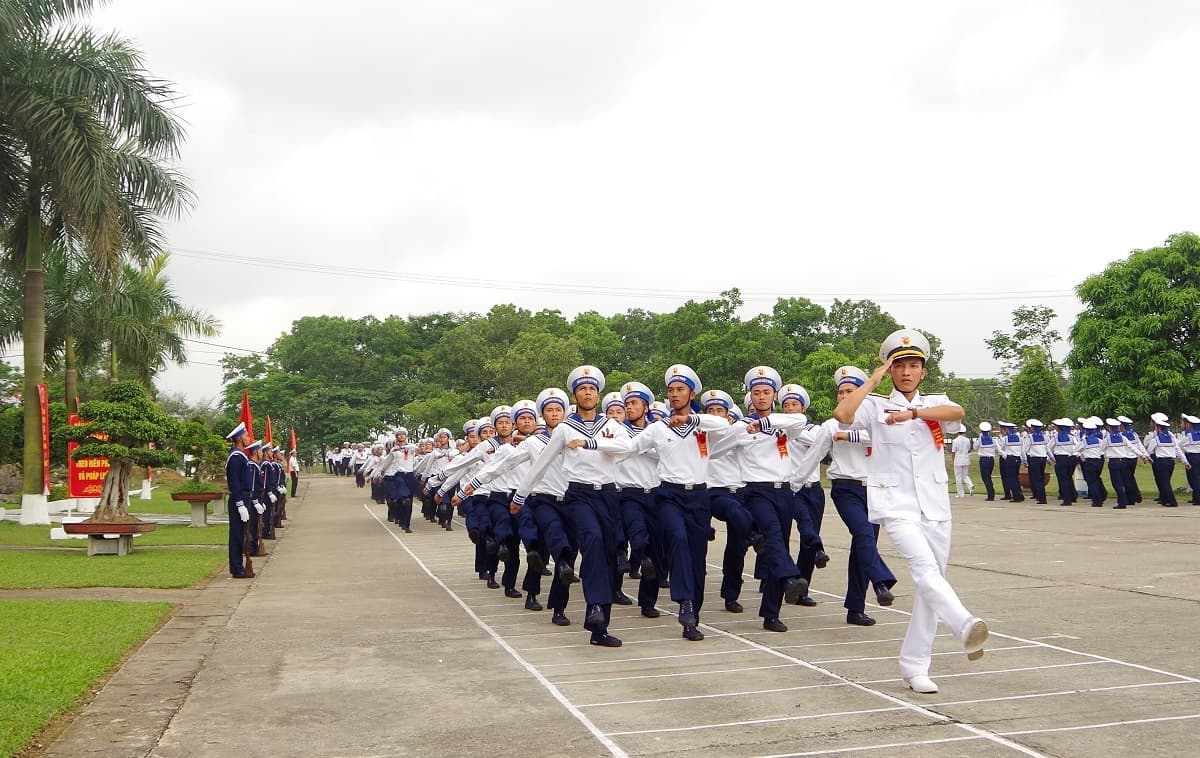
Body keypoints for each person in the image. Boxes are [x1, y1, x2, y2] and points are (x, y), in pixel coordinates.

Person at [833, 328, 988, 695]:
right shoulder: (873, 405)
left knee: (930, 584)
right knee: (923, 569)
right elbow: (842, 412)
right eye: (899, 365)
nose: (906, 372)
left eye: (913, 365)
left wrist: (913, 413)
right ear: (891, 369)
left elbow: (957, 412)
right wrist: (873, 379)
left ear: (923, 371)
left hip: (934, 503)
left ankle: (915, 666)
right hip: (895, 503)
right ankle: (964, 624)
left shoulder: (935, 402)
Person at [513, 366, 632, 647]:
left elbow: (626, 447)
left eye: (592, 389)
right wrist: (520, 496)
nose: (587, 393)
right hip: (578, 495)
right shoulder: (565, 428)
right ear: (574, 395)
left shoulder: (611, 425)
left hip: (608, 495)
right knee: (590, 539)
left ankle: (599, 625)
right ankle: (594, 605)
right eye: (582, 389)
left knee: (605, 555)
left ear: (598, 394)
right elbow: (541, 464)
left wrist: (592, 443)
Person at [623, 364, 729, 641]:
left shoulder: (704, 424)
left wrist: (691, 421)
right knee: (677, 540)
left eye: (680, 390)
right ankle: (685, 602)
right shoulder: (657, 428)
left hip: (699, 496)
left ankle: (692, 618)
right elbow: (627, 450)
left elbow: (724, 424)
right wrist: (588, 448)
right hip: (668, 495)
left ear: (691, 393)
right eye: (670, 391)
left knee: (696, 557)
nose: (674, 395)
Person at [791, 365, 897, 627]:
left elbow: (874, 438)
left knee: (863, 548)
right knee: (862, 534)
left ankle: (855, 608)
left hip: (873, 489)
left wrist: (848, 434)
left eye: (851, 391)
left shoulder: (878, 423)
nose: (844, 396)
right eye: (841, 392)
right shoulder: (829, 425)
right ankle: (881, 582)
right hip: (845, 488)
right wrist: (792, 488)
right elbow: (812, 457)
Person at [225, 422, 254, 578]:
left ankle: (239, 566)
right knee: (237, 534)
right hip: (239, 498)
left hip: (244, 496)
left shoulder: (241, 455)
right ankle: (237, 568)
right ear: (239, 438)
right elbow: (234, 482)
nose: (248, 438)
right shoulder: (236, 457)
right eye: (246, 435)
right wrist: (240, 503)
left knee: (242, 533)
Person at [1146, 412, 1189, 507]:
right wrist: (1185, 461)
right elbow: (1178, 450)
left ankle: (1172, 501)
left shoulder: (1156, 439)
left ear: (1158, 427)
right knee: (1164, 481)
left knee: (1164, 482)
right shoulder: (1171, 438)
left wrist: (1147, 458)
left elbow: (1149, 450)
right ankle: (1165, 499)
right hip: (1171, 462)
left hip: (1161, 461)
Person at [1048, 419, 1079, 505]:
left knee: (1063, 479)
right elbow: (1078, 447)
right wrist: (1075, 456)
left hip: (1061, 459)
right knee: (1069, 478)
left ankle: (1067, 499)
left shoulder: (1056, 438)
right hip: (1071, 458)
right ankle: (1073, 495)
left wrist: (1051, 459)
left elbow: (1048, 448)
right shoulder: (1072, 437)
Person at [1078, 419, 1107, 506]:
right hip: (1098, 460)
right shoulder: (1099, 440)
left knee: (1092, 481)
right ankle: (1102, 494)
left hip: (1090, 461)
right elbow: (1103, 448)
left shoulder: (1084, 440)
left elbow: (1076, 450)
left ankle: (1097, 500)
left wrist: (1082, 457)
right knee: (1096, 479)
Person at [1022, 419, 1049, 504]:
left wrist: (1024, 461)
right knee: (1040, 478)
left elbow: (1024, 450)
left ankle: (1041, 498)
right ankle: (1041, 496)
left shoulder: (1030, 437)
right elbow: (1047, 449)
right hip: (1043, 459)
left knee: (1037, 479)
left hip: (1034, 459)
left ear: (1033, 428)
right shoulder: (1044, 437)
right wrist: (1051, 458)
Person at [974, 422, 998, 501]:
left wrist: (978, 438)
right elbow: (997, 449)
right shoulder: (993, 439)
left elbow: (975, 447)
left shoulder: (980, 440)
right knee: (989, 477)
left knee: (985, 478)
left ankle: (991, 494)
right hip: (991, 459)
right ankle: (991, 493)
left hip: (984, 459)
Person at [1181, 414, 1200, 505]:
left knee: (1193, 478)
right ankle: (1195, 496)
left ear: (1191, 425)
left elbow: (1179, 444)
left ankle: (1198, 498)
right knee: (1196, 478)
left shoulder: (1189, 436)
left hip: (1192, 457)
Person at [950, 431, 974, 498]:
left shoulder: (955, 441)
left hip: (958, 460)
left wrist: (953, 461)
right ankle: (970, 485)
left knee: (958, 477)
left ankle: (960, 493)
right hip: (966, 459)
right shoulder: (967, 440)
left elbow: (953, 452)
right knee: (965, 476)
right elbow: (969, 449)